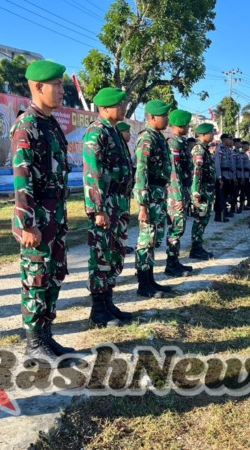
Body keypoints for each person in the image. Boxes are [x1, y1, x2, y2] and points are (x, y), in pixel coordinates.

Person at [9, 60, 76, 357]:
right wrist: (27, 223)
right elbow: (22, 177)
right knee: (36, 276)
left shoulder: (50, 124)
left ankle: (46, 335)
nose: (62, 90)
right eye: (57, 85)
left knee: (54, 273)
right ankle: (34, 341)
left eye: (62, 84)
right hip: (37, 216)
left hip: (55, 212)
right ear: (38, 87)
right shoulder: (27, 126)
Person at [82, 87, 133, 328]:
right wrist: (98, 209)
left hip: (120, 202)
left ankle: (108, 301)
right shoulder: (97, 133)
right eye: (119, 105)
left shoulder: (114, 132)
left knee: (116, 254)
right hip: (106, 203)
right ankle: (97, 309)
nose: (123, 108)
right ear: (104, 109)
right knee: (101, 255)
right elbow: (92, 175)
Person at [133, 100, 173, 297]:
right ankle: (143, 284)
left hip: (158, 194)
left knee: (154, 239)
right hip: (149, 196)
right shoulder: (146, 139)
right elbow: (141, 173)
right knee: (145, 240)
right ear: (152, 117)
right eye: (164, 116)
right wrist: (142, 205)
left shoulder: (158, 137)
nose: (167, 119)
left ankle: (150, 279)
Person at [164, 109, 194, 277]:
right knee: (175, 229)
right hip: (176, 194)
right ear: (180, 125)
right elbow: (174, 172)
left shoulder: (181, 142)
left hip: (182, 191)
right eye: (187, 124)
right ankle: (171, 264)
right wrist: (178, 197)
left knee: (179, 229)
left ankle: (175, 261)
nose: (189, 126)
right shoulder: (173, 143)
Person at [190, 123, 216, 259]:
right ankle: (195, 248)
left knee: (204, 219)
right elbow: (196, 172)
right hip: (202, 192)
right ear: (204, 134)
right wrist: (196, 192)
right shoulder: (199, 150)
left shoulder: (205, 149)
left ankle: (198, 246)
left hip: (208, 191)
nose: (213, 135)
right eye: (211, 132)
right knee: (199, 220)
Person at [116, 121, 136, 255]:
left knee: (123, 220)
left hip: (125, 192)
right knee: (117, 220)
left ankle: (122, 244)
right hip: (116, 192)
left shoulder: (124, 147)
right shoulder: (117, 146)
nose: (129, 134)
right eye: (127, 132)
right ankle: (117, 246)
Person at [213, 133, 233, 222]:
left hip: (227, 176)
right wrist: (219, 178)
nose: (230, 141)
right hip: (222, 176)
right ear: (224, 140)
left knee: (225, 196)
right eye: (229, 139)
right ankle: (219, 215)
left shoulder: (227, 150)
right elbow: (217, 165)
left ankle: (223, 213)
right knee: (220, 197)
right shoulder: (220, 150)